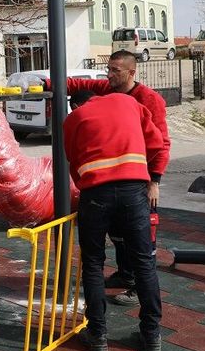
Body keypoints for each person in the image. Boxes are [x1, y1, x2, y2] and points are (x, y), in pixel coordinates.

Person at [64, 90, 164, 351]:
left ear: (77, 104)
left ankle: (97, 334)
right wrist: (142, 170)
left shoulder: (75, 118)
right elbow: (156, 143)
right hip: (134, 191)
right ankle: (151, 334)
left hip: (96, 194)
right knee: (144, 262)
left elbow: (73, 160)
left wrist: (87, 182)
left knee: (93, 263)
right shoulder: (128, 102)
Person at [67, 50, 170, 305]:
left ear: (131, 73)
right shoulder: (108, 90)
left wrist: (154, 180)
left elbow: (161, 143)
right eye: (108, 69)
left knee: (142, 240)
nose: (109, 75)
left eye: (115, 70)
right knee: (118, 234)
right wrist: (46, 82)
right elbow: (79, 84)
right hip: (113, 179)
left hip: (137, 180)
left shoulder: (149, 99)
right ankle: (125, 274)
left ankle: (138, 288)